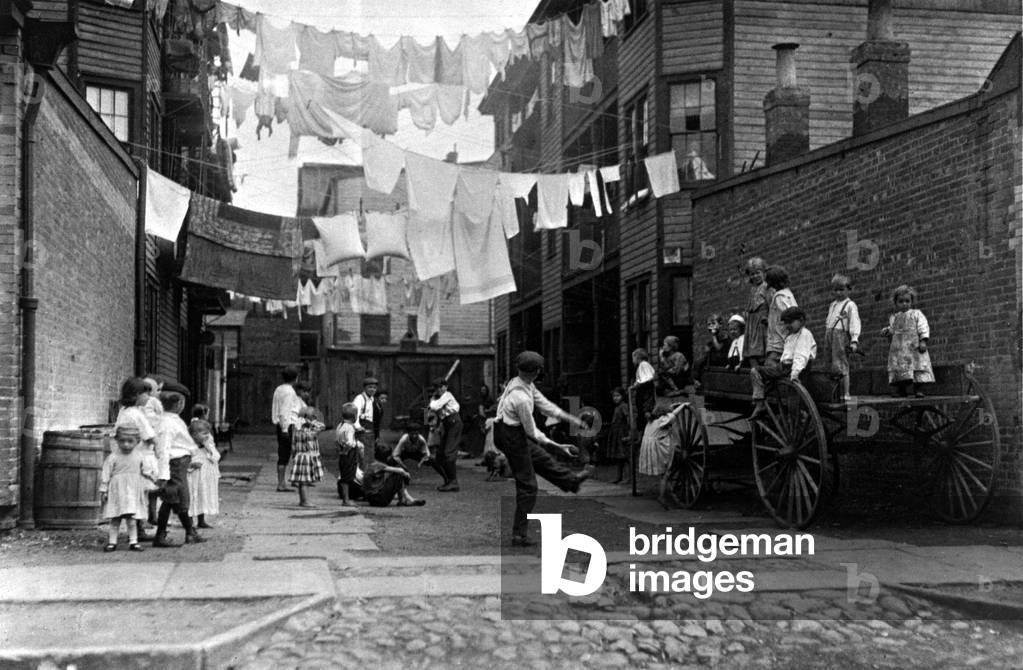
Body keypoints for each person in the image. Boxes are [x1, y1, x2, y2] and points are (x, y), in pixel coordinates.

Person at [493, 351, 588, 547]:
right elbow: (533, 433)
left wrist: (572, 419)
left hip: (512, 430)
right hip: (509, 435)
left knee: (541, 457)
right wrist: (559, 446)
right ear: (536, 372)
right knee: (528, 485)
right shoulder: (521, 398)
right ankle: (519, 535)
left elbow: (546, 406)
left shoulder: (522, 382)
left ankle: (572, 481)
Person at [153, 391, 205, 547]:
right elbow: (164, 448)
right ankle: (184, 532)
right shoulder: (167, 423)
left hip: (180, 463)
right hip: (174, 464)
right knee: (176, 499)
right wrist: (163, 473)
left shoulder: (173, 420)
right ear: (179, 405)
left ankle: (189, 532)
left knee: (175, 499)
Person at [750, 307, 817, 419]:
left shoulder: (804, 334)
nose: (787, 326)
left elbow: (801, 356)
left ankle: (803, 418)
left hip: (798, 370)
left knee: (794, 404)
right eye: (785, 323)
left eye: (790, 322)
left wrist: (795, 374)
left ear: (801, 320)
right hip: (783, 367)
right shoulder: (790, 336)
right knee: (756, 371)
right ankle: (759, 402)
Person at [115, 377, 161, 542]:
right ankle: (139, 530)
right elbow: (150, 436)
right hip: (140, 457)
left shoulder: (123, 412)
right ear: (136, 395)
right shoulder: (137, 414)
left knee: (133, 495)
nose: (148, 398)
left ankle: (137, 529)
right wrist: (159, 451)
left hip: (126, 458)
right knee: (141, 495)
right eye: (144, 394)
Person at [99, 425, 156, 552]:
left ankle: (133, 541)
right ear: (117, 440)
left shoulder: (139, 456)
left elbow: (146, 471)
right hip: (117, 490)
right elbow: (106, 474)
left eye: (130, 441)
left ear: (137, 441)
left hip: (132, 491)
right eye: (122, 441)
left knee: (131, 518)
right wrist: (104, 490)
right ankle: (112, 542)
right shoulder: (113, 457)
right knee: (115, 518)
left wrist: (153, 479)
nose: (126, 444)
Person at [882, 284, 933, 397]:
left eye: (907, 301)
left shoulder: (916, 314)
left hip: (913, 347)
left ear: (911, 301)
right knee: (899, 368)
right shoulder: (894, 317)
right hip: (899, 349)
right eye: (901, 301)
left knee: (917, 367)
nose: (904, 304)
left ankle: (919, 390)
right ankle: (901, 390)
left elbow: (923, 326)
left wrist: (923, 340)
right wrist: (887, 331)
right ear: (896, 303)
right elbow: (893, 329)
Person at [637, 401, 688, 509]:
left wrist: (672, 406)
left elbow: (669, 415)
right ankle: (662, 496)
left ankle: (668, 492)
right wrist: (683, 406)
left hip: (651, 449)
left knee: (664, 474)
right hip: (658, 449)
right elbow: (672, 415)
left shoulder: (652, 421)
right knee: (666, 473)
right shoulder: (661, 421)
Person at [824, 274, 862, 400]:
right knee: (830, 364)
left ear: (848, 289)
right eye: (835, 290)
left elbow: (854, 322)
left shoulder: (850, 305)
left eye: (841, 289)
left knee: (841, 363)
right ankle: (834, 393)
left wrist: (854, 340)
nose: (838, 292)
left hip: (840, 336)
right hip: (830, 334)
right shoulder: (832, 305)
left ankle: (846, 393)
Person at [271, 366, 303, 492]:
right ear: (295, 378)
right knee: (285, 454)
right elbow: (285, 411)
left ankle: (283, 482)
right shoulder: (290, 392)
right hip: (287, 425)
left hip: (281, 424)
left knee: (283, 453)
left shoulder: (279, 389)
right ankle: (281, 483)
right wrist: (285, 429)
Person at [428, 377, 463, 492]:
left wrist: (432, 399)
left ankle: (453, 482)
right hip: (446, 424)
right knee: (439, 455)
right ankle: (448, 480)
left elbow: (434, 407)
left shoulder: (447, 395)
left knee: (449, 452)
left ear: (445, 387)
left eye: (441, 387)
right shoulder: (438, 398)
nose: (439, 389)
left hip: (454, 422)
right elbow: (431, 413)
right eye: (436, 388)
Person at [289, 406, 326, 508]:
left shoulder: (296, 427)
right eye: (313, 416)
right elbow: (321, 427)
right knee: (305, 481)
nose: (315, 418)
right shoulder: (307, 430)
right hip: (306, 457)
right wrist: (311, 422)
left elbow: (293, 445)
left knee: (302, 481)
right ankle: (305, 501)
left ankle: (302, 500)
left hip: (299, 456)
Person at [187, 419, 220, 529]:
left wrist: (209, 450)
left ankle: (202, 520)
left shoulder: (209, 445)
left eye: (208, 433)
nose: (207, 436)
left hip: (206, 477)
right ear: (194, 435)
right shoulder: (189, 447)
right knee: (193, 497)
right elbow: (185, 461)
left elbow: (216, 457)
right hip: (194, 478)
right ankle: (189, 521)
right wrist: (191, 465)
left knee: (204, 496)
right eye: (204, 434)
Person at [352, 460, 426, 507]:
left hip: (372, 500)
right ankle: (403, 500)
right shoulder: (378, 465)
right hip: (379, 499)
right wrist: (406, 474)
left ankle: (406, 499)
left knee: (395, 475)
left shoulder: (371, 465)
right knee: (398, 474)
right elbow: (400, 470)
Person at [765, 266, 797, 365]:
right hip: (785, 340)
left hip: (778, 342)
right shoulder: (788, 294)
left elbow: (789, 313)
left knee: (770, 366)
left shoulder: (779, 297)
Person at [743, 257, 771, 366]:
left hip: (762, 324)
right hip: (752, 325)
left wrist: (767, 318)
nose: (755, 276)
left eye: (757, 273)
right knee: (752, 354)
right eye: (752, 274)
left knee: (763, 353)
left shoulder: (767, 287)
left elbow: (771, 306)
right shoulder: (753, 289)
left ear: (764, 273)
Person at [335, 402, 364, 506]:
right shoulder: (350, 428)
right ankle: (346, 500)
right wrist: (347, 450)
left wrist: (341, 450)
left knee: (344, 475)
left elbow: (337, 440)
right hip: (348, 454)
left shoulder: (340, 425)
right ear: (355, 417)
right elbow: (350, 443)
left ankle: (345, 498)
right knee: (347, 477)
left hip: (342, 454)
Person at [693, 315, 730, 387]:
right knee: (698, 362)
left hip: (723, 358)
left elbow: (719, 348)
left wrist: (713, 336)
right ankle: (696, 380)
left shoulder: (724, 335)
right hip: (714, 358)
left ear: (720, 324)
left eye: (713, 323)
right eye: (709, 324)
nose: (711, 326)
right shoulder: (715, 337)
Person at [352, 376, 380, 467]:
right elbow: (354, 413)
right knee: (362, 455)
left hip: (370, 429)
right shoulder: (360, 399)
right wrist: (357, 426)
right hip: (362, 429)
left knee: (370, 454)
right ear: (364, 388)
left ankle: (368, 474)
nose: (372, 389)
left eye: (374, 388)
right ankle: (361, 474)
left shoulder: (372, 399)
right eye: (370, 387)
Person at [605, 387, 631, 484]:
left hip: (622, 433)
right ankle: (619, 477)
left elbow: (628, 417)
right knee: (618, 457)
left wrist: (629, 432)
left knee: (625, 457)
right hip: (616, 433)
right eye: (614, 396)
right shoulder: (617, 407)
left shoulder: (624, 406)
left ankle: (628, 478)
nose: (615, 398)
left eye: (618, 396)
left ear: (622, 396)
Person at [630, 348, 656, 429]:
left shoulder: (644, 364)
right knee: (640, 410)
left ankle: (648, 429)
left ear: (637, 357)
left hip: (646, 390)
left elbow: (648, 377)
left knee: (646, 409)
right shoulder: (640, 366)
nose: (633, 361)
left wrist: (637, 384)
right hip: (642, 391)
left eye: (633, 358)